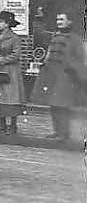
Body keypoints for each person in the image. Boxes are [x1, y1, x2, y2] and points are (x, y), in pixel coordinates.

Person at [30, 12, 87, 141]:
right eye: (57, 19)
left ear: (70, 22)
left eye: (62, 19)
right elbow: (49, 54)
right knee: (53, 104)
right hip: (52, 76)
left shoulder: (75, 39)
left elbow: (79, 58)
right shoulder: (55, 36)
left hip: (66, 77)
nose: (59, 22)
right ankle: (57, 131)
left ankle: (64, 133)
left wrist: (71, 66)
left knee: (63, 105)